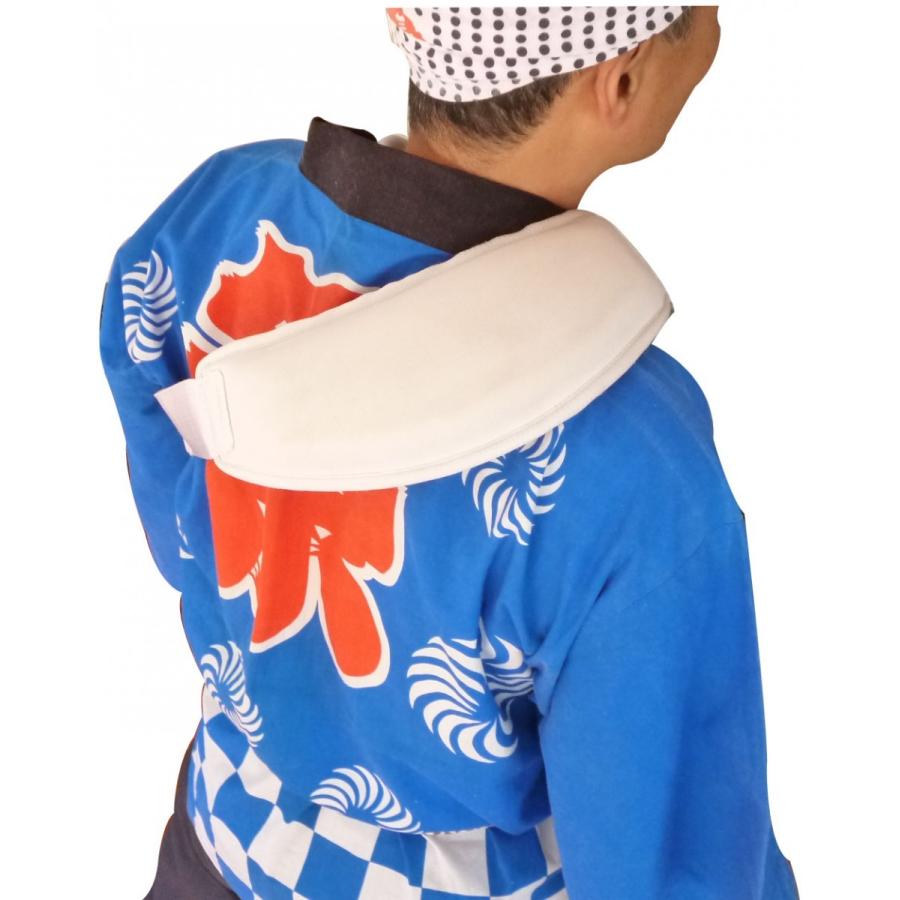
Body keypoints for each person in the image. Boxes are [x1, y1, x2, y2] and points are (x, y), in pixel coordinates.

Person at [99, 6, 799, 899]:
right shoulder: (634, 468)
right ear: (619, 81)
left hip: (224, 842)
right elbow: (669, 864)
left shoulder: (209, 224)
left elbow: (186, 536)